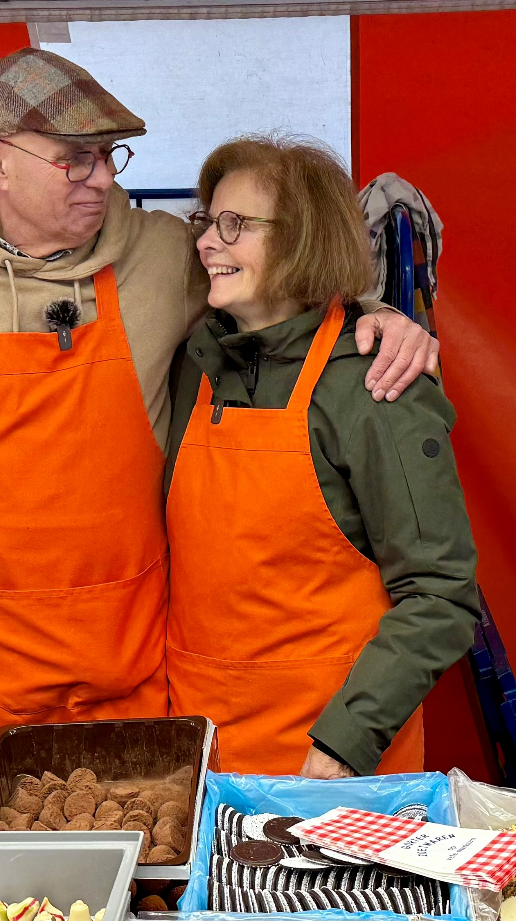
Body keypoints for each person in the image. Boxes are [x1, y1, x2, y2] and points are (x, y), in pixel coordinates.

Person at [0, 49, 438, 731]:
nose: (100, 179)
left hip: (129, 663)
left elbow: (290, 274)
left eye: (109, 156)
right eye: (75, 159)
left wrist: (380, 314)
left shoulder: (163, 255)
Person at [163, 135, 481, 777]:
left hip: (330, 761)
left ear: (302, 239)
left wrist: (344, 741)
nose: (205, 243)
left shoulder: (377, 385)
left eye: (234, 225)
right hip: (198, 751)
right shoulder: (191, 367)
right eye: (206, 221)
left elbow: (441, 594)